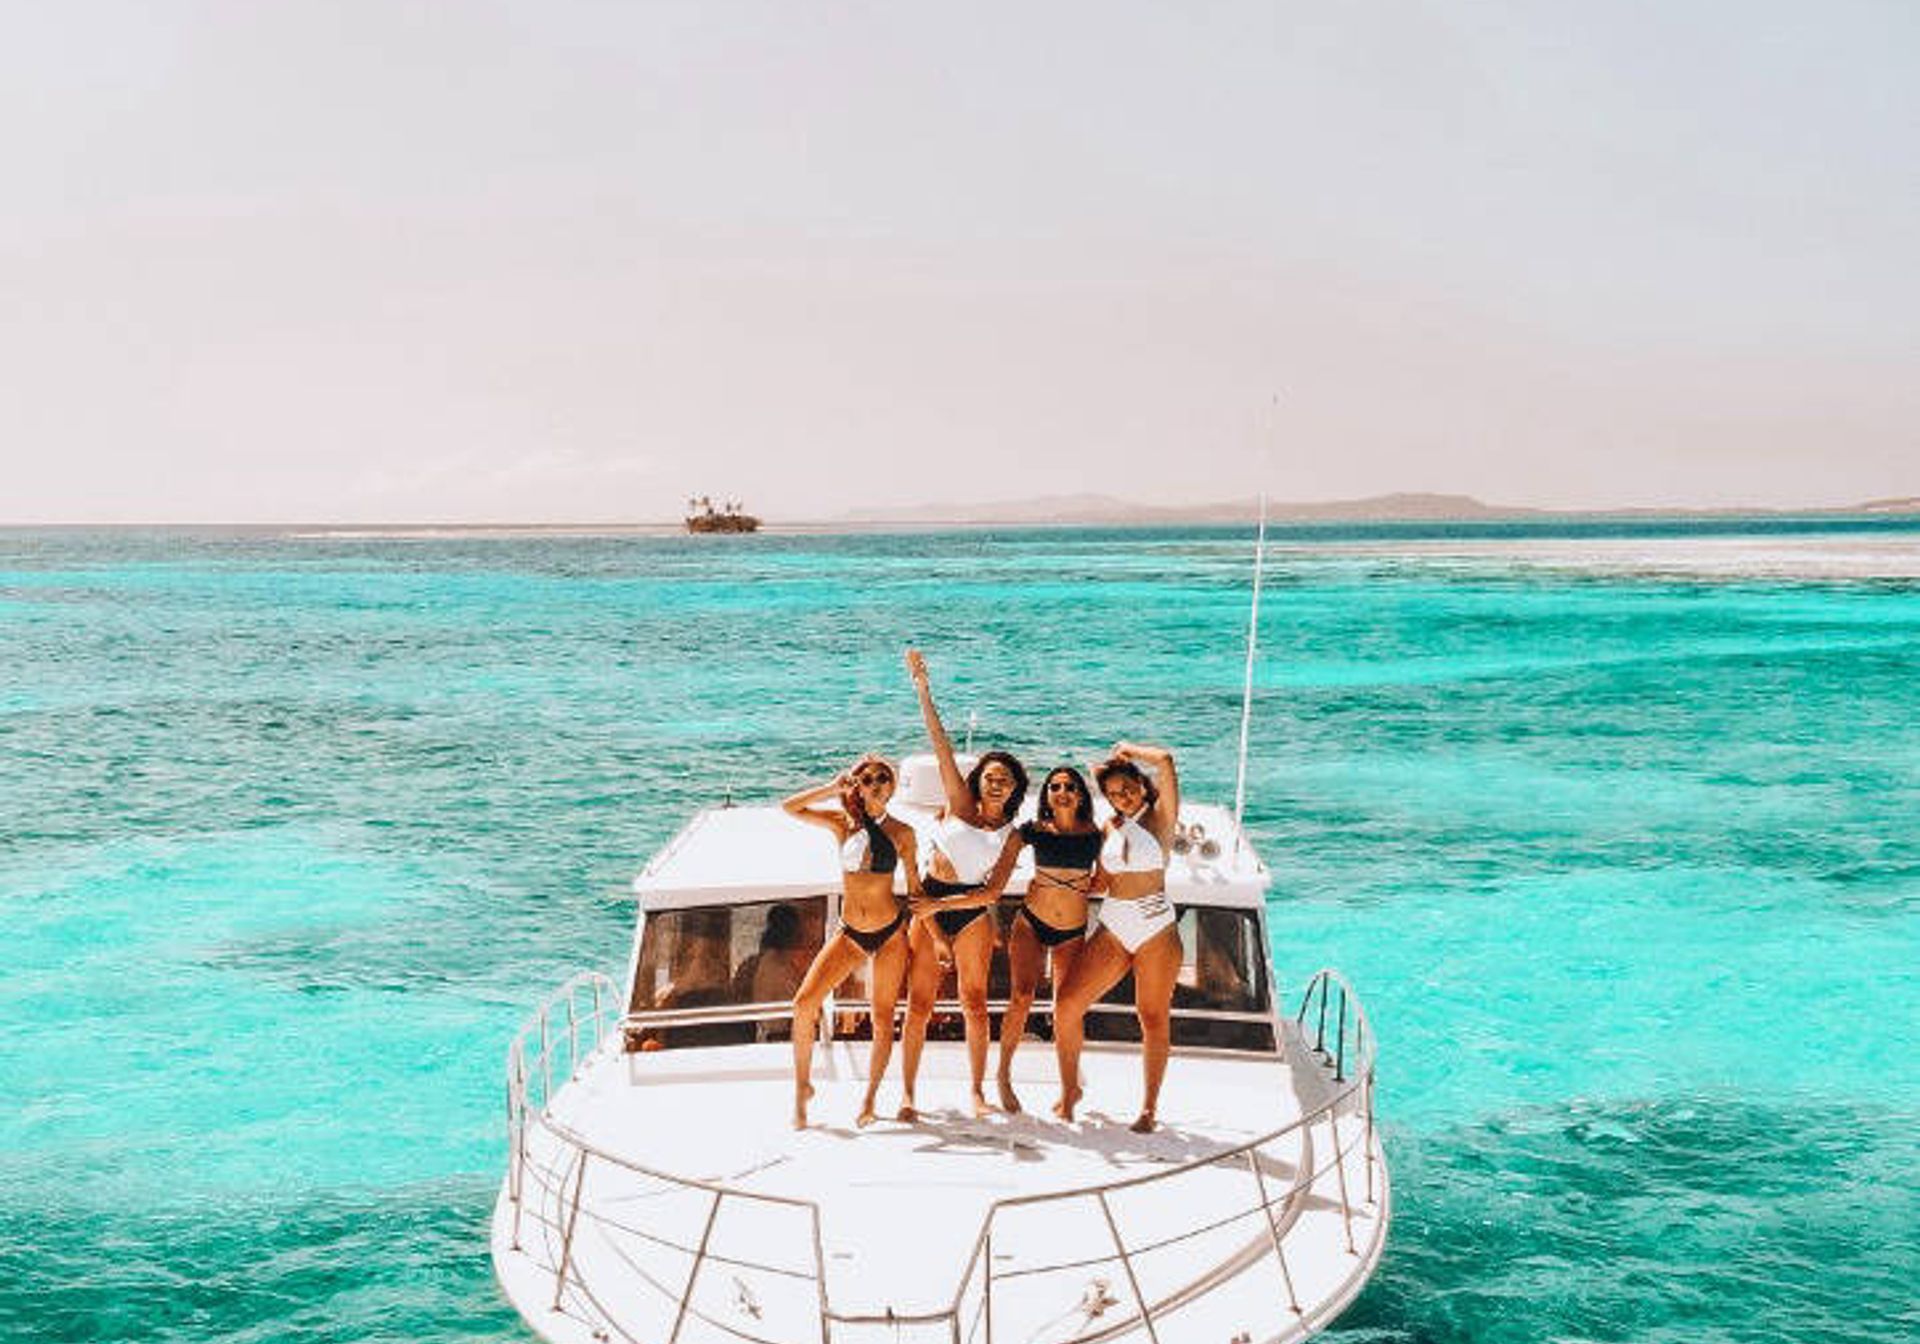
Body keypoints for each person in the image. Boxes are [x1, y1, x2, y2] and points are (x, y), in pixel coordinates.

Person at [900, 649, 1028, 1121]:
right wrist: (923, 689)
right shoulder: (958, 804)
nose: (997, 784)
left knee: (974, 1003)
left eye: (1006, 780)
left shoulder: (1012, 835)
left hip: (970, 910)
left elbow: (994, 893)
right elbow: (941, 745)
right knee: (919, 1004)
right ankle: (909, 1093)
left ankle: (977, 1090)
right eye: (991, 777)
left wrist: (939, 910)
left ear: (1016, 789)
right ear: (979, 782)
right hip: (931, 896)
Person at [781, 755, 921, 1129]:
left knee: (882, 1018)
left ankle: (870, 1098)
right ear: (857, 785)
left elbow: (917, 889)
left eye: (882, 778)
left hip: (890, 933)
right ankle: (802, 1089)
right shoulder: (842, 824)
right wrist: (833, 787)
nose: (875, 783)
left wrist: (936, 936)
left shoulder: (903, 833)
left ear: (892, 787)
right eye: (867, 778)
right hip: (850, 932)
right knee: (803, 1004)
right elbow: (790, 807)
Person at [1052, 742, 1182, 1133]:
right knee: (1067, 1006)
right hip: (1113, 924)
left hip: (1155, 928)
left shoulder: (1162, 818)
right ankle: (1070, 1090)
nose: (1121, 796)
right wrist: (1066, 885)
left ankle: (1148, 1108)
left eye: (1127, 787)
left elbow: (1165, 761)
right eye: (1112, 793)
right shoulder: (1110, 826)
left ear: (1142, 785)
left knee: (1152, 1016)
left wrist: (1127, 750)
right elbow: (1105, 880)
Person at [979, 765, 1100, 1114]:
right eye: (1055, 786)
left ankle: (1069, 1091)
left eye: (1070, 786)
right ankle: (1002, 1076)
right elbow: (997, 874)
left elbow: (1104, 881)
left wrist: (1076, 886)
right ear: (1046, 794)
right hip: (1031, 923)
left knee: (1067, 1009)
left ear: (1080, 795)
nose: (1062, 791)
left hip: (1072, 932)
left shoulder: (1095, 835)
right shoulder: (1030, 832)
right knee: (1022, 997)